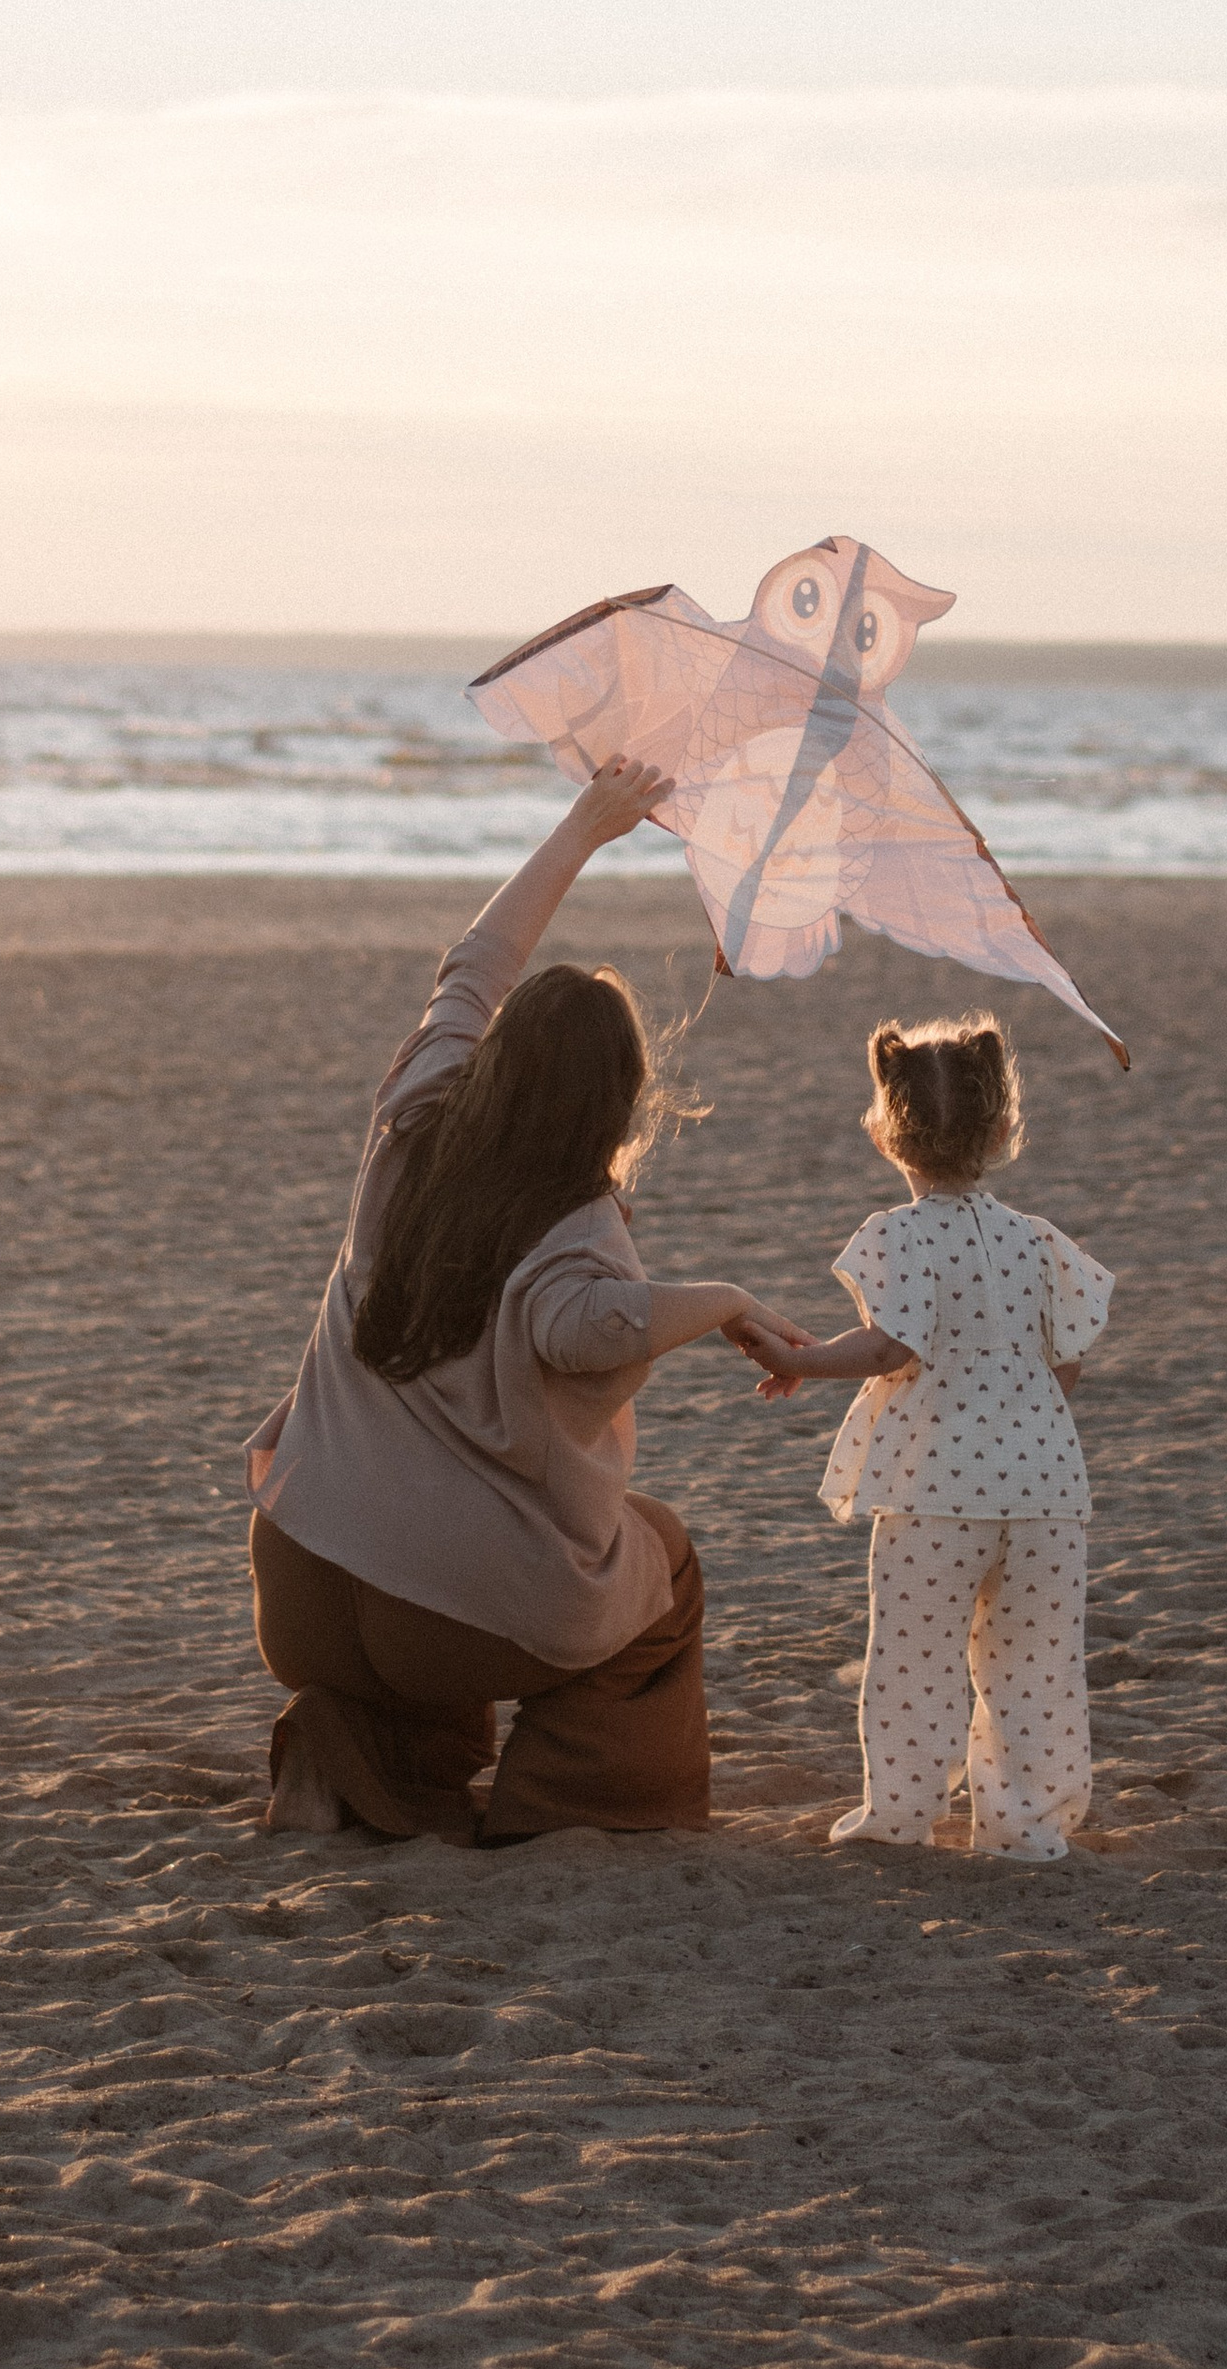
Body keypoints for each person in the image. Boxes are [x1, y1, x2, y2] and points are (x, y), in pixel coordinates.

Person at [243, 755, 808, 1843]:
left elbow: (474, 965)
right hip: (440, 1621)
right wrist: (723, 1297)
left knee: (467, 1526)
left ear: (494, 1062)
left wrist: (583, 829)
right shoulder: (576, 1230)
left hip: (303, 1583)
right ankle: (564, 1813)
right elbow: (587, 1328)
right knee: (662, 1565)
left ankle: (353, 1755)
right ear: (615, 1105)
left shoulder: (409, 1120)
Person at [732, 1012, 1115, 1863]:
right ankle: (1023, 1826)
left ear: (885, 1130)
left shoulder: (899, 1234)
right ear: (1004, 1125)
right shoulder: (1039, 1242)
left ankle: (900, 1816)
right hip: (1046, 1490)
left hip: (936, 1489)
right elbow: (1068, 1366)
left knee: (914, 1658)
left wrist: (805, 1357)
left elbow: (891, 1346)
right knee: (1034, 1665)